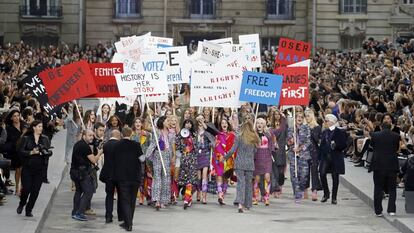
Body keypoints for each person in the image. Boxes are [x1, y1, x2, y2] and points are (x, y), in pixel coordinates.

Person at [16, 120, 51, 217]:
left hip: (39, 169)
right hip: (28, 168)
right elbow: (20, 151)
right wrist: (31, 152)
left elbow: (49, 151)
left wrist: (44, 153)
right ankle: (22, 203)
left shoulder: (45, 139)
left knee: (35, 191)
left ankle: (29, 209)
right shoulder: (26, 138)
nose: (41, 128)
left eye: (41, 126)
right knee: (26, 189)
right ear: (34, 127)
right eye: (39, 126)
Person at [225, 117, 259, 212]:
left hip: (239, 163)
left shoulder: (238, 137)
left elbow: (232, 150)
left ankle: (240, 204)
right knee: (248, 184)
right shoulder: (254, 137)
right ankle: (247, 204)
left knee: (241, 183)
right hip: (249, 163)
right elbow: (255, 151)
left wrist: (225, 158)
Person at [113, 127, 143, 231]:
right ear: (131, 134)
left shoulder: (117, 145)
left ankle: (128, 223)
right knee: (132, 200)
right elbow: (142, 159)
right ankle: (128, 222)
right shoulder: (136, 145)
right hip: (135, 177)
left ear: (121, 134)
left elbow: (114, 161)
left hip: (122, 177)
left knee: (125, 200)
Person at [70, 129, 103, 221]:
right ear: (84, 136)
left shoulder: (79, 144)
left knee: (79, 191)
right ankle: (79, 212)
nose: (92, 137)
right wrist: (100, 152)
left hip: (74, 171)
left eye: (92, 135)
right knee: (88, 192)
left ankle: (75, 212)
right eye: (89, 135)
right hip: (81, 173)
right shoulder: (84, 146)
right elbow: (94, 160)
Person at [370, 122, 400, 217]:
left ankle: (378, 211)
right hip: (392, 164)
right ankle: (391, 210)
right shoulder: (396, 136)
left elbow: (372, 146)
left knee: (378, 187)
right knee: (392, 188)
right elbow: (397, 149)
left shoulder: (375, 135)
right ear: (391, 127)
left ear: (380, 127)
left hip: (378, 165)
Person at [145, 116, 174, 210]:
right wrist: (149, 116)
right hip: (158, 156)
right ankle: (157, 200)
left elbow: (172, 146)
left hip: (167, 156)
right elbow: (148, 128)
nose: (169, 122)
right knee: (157, 177)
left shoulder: (171, 133)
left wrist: (173, 156)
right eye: (167, 120)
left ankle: (163, 200)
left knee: (166, 178)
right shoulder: (157, 131)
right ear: (162, 122)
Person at [319, 114, 347, 205]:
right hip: (326, 156)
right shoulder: (324, 132)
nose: (325, 123)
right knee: (322, 174)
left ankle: (334, 197)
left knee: (335, 177)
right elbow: (322, 144)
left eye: (326, 121)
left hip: (336, 157)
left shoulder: (340, 132)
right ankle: (326, 193)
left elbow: (344, 145)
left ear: (332, 122)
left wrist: (336, 145)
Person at [287, 112, 311, 203]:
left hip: (304, 155)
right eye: (298, 117)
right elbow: (288, 142)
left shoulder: (306, 128)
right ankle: (297, 194)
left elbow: (308, 141)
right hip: (293, 155)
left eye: (301, 117)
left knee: (304, 175)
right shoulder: (290, 128)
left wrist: (300, 148)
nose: (299, 118)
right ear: (295, 118)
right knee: (294, 176)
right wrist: (291, 142)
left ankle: (300, 189)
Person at [213, 117, 236, 205]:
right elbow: (215, 146)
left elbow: (234, 147)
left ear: (228, 124)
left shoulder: (232, 135)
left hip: (229, 158)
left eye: (225, 122)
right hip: (219, 157)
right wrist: (214, 144)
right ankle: (220, 194)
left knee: (226, 177)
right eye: (222, 123)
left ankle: (223, 195)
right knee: (219, 175)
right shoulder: (217, 135)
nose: (224, 124)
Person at [99, 129, 121, 224]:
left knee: (109, 195)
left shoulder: (106, 145)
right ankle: (121, 215)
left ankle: (108, 216)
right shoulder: (120, 145)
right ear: (118, 136)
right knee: (121, 195)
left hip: (108, 174)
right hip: (119, 174)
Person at [175, 119, 198, 209]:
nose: (188, 124)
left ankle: (186, 199)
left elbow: (196, 147)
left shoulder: (194, 135)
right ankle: (189, 198)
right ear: (184, 125)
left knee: (190, 181)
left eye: (190, 123)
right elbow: (178, 146)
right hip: (184, 160)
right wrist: (182, 139)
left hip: (192, 160)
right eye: (186, 123)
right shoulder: (180, 135)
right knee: (185, 180)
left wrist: (190, 140)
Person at [253, 117, 275, 206]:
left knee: (267, 177)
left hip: (267, 156)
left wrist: (272, 150)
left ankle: (267, 197)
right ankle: (255, 197)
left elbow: (272, 144)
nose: (259, 125)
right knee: (257, 178)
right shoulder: (254, 134)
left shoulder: (268, 134)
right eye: (258, 123)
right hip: (257, 156)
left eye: (261, 123)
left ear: (264, 125)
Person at [131, 117, 152, 205]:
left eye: (139, 122)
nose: (138, 124)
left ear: (142, 124)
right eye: (136, 122)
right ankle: (139, 196)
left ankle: (144, 196)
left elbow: (150, 146)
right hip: (134, 160)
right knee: (137, 178)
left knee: (144, 178)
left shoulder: (147, 134)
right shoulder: (131, 135)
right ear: (134, 124)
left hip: (145, 160)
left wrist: (146, 155)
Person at [195, 114, 215, 204]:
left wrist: (211, 144)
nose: (200, 121)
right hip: (196, 155)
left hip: (206, 154)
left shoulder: (207, 132)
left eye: (202, 119)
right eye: (199, 119)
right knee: (198, 177)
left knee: (204, 176)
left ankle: (204, 195)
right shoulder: (195, 132)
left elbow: (213, 143)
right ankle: (198, 192)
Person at [4, 109, 25, 195]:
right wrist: (23, 134)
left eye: (18, 115)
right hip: (16, 151)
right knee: (18, 170)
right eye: (14, 116)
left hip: (25, 150)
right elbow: (13, 141)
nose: (16, 118)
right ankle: (17, 188)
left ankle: (23, 188)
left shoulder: (24, 125)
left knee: (24, 170)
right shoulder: (9, 128)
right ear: (11, 118)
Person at [269, 109, 288, 198]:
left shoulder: (284, 127)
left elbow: (284, 131)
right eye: (275, 114)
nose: (277, 116)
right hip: (273, 152)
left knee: (281, 172)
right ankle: (275, 189)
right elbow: (275, 133)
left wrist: (284, 119)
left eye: (278, 114)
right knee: (274, 171)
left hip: (281, 151)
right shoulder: (271, 127)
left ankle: (280, 185)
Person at [305, 109, 322, 201]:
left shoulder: (317, 127)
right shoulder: (303, 127)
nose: (306, 118)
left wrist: (312, 131)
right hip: (305, 152)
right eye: (306, 116)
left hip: (314, 152)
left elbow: (318, 140)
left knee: (314, 171)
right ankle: (305, 189)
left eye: (308, 116)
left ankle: (314, 190)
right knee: (305, 172)